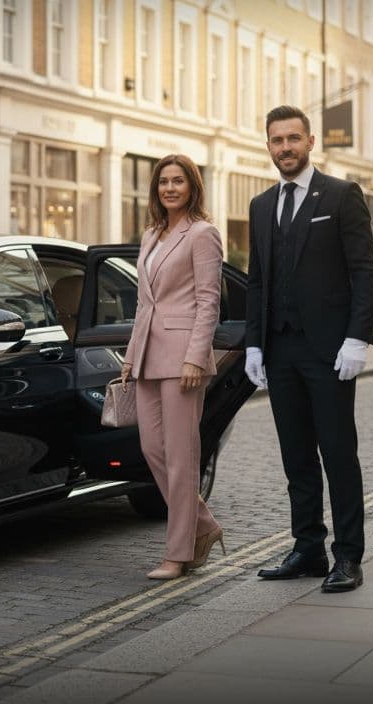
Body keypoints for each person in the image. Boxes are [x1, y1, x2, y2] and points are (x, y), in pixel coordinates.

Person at [244, 106, 373, 593]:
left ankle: (348, 556)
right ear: (268, 145)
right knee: (296, 455)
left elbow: (364, 271)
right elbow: (259, 280)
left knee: (339, 454)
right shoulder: (261, 206)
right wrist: (253, 346)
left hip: (329, 351)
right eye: (277, 140)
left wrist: (357, 338)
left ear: (311, 141)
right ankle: (307, 548)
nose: (285, 147)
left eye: (293, 138)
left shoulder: (342, 196)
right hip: (279, 351)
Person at [119, 154, 225, 580]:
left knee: (182, 458)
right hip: (147, 355)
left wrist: (196, 357)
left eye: (178, 181)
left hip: (183, 357)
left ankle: (177, 553)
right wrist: (129, 356)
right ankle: (204, 526)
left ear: (192, 186)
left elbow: (209, 300)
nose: (170, 188)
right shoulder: (151, 235)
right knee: (152, 450)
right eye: (163, 181)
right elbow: (144, 304)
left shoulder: (203, 234)